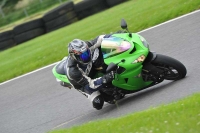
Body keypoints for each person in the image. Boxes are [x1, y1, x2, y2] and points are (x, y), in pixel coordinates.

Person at [57, 34, 115, 110]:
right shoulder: (73, 71)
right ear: (75, 56)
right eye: (84, 55)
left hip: (90, 69)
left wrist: (112, 37)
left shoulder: (85, 47)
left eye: (87, 52)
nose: (87, 55)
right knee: (98, 102)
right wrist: (105, 79)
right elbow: (90, 85)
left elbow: (99, 39)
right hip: (83, 84)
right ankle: (105, 95)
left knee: (102, 57)